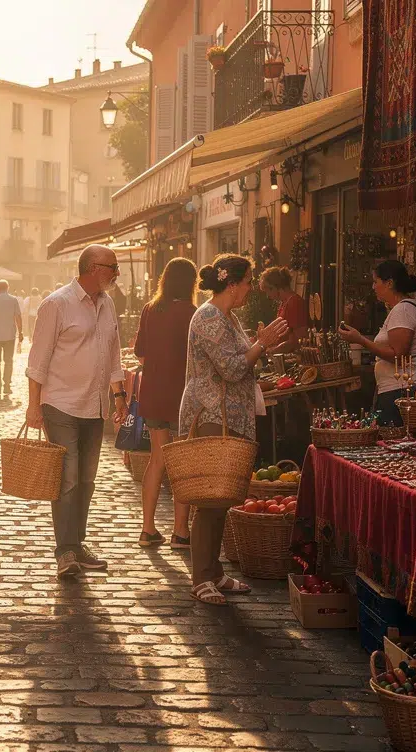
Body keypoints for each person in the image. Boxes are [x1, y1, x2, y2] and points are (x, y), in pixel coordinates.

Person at [179, 254, 289, 605]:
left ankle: (214, 572)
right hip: (213, 414)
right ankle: (201, 578)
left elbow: (243, 359)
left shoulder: (229, 317)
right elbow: (231, 368)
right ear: (232, 284)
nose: (250, 288)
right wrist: (262, 344)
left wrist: (261, 345)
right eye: (248, 282)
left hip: (232, 415)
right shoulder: (209, 317)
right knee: (211, 499)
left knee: (223, 498)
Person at [26, 245, 128, 579]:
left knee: (86, 479)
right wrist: (33, 405)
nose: (117, 273)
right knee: (68, 480)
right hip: (61, 404)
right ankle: (65, 551)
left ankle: (78, 544)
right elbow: (38, 360)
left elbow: (113, 354)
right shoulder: (56, 304)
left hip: (95, 405)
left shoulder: (107, 304)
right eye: (113, 267)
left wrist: (119, 395)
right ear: (94, 268)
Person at [133, 258, 198, 550]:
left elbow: (140, 353)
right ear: (191, 283)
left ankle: (147, 529)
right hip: (181, 396)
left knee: (157, 459)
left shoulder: (151, 309)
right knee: (181, 460)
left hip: (154, 393)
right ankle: (180, 532)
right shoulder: (191, 313)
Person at [337, 260, 416, 427]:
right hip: (393, 388)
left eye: (375, 281)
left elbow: (398, 355)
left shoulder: (403, 310)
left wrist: (360, 340)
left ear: (389, 283)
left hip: (399, 390)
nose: (373, 287)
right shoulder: (401, 309)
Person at [258, 266, 309, 353]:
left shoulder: (294, 302)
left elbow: (297, 341)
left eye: (267, 291)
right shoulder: (284, 303)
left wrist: (270, 351)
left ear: (274, 287)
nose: (268, 296)